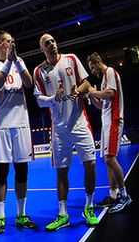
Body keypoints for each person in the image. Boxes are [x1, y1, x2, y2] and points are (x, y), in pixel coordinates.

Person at [33, 34, 98, 231]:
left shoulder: (71, 58)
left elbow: (87, 83)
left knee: (91, 163)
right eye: (47, 43)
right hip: (59, 129)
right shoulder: (39, 71)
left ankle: (89, 207)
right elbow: (38, 99)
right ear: (42, 49)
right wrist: (54, 97)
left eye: (53, 41)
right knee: (61, 171)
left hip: (79, 123)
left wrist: (78, 90)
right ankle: (63, 214)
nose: (51, 44)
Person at [0, 31, 37, 234]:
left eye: (14, 41)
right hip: (1, 125)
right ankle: (1, 217)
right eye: (9, 41)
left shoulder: (19, 61)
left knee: (22, 170)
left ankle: (21, 214)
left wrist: (17, 62)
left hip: (21, 122)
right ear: (0, 43)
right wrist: (8, 63)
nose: (13, 44)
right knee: (2, 172)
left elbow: (29, 83)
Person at [86, 52, 131, 213]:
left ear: (98, 63)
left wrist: (92, 91)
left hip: (114, 120)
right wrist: (92, 96)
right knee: (107, 160)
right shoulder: (104, 80)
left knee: (110, 159)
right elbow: (101, 105)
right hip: (106, 122)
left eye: (92, 68)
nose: (93, 72)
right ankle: (113, 196)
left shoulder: (110, 72)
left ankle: (125, 196)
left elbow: (110, 95)